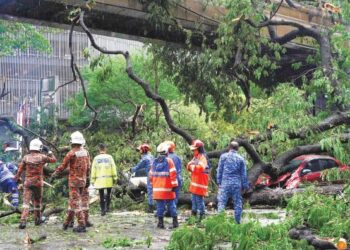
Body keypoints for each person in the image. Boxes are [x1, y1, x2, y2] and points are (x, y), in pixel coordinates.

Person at [51, 131, 90, 233]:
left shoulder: (71, 153)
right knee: (73, 202)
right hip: (83, 181)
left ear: (72, 142)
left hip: (74, 182)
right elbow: (88, 166)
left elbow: (62, 166)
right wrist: (88, 178)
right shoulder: (86, 152)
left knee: (76, 203)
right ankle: (67, 222)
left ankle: (82, 225)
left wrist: (54, 174)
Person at [14, 138, 56, 229]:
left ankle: (23, 222)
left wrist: (16, 178)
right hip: (38, 183)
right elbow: (54, 160)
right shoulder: (42, 157)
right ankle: (37, 220)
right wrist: (48, 150)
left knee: (26, 203)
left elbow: (20, 170)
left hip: (28, 183)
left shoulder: (26, 157)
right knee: (37, 202)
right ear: (39, 147)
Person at [216, 141, 249, 224]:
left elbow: (219, 170)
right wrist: (245, 185)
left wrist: (219, 182)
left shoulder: (223, 157)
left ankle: (220, 222)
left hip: (225, 183)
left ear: (229, 147)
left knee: (222, 203)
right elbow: (243, 174)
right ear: (238, 148)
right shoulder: (241, 159)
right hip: (236, 184)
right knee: (237, 203)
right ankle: (237, 222)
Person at [150, 142, 178, 229]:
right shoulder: (169, 161)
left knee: (160, 207)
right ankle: (175, 222)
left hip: (158, 190)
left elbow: (150, 176)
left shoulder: (154, 162)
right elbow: (173, 174)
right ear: (166, 152)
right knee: (171, 205)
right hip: (168, 189)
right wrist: (174, 185)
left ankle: (160, 223)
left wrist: (153, 186)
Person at [91, 143, 117, 216]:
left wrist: (92, 180)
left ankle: (103, 210)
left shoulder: (96, 158)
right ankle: (107, 208)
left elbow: (93, 170)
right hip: (109, 179)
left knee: (101, 195)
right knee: (108, 194)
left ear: (99, 149)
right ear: (105, 149)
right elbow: (113, 168)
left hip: (100, 180)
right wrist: (115, 178)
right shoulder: (110, 157)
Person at [186, 139, 209, 222]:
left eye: (194, 149)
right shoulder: (196, 157)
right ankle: (193, 216)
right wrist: (192, 166)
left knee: (199, 200)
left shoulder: (203, 157)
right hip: (195, 182)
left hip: (200, 183)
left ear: (198, 149)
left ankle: (202, 216)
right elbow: (188, 165)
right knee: (193, 199)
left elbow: (199, 168)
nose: (192, 151)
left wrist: (192, 166)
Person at [131, 143, 154, 213]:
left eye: (140, 150)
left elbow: (138, 167)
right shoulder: (151, 156)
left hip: (150, 175)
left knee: (150, 190)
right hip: (155, 175)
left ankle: (150, 208)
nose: (139, 151)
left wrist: (132, 169)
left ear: (143, 150)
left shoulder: (145, 159)